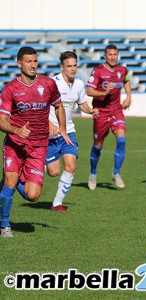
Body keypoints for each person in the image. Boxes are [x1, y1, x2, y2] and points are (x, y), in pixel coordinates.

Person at [0, 46, 71, 237]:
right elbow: (1, 120)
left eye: (35, 61)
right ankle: (4, 225)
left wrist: (62, 128)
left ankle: (9, 183)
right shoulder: (10, 89)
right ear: (19, 64)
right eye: (28, 61)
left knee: (33, 196)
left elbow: (59, 106)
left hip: (39, 146)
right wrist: (16, 130)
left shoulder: (48, 84)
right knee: (10, 180)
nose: (33, 65)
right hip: (15, 144)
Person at [47, 51, 99, 212]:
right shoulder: (52, 83)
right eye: (69, 66)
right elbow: (42, 108)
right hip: (51, 133)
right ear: (62, 67)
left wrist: (90, 111)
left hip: (68, 132)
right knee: (54, 172)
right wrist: (49, 124)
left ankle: (57, 204)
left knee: (71, 165)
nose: (73, 69)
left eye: (75, 65)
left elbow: (82, 103)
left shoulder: (78, 83)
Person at [86, 44, 131, 190]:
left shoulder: (122, 70)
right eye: (110, 55)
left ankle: (116, 173)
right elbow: (89, 91)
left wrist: (129, 96)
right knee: (98, 146)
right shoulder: (98, 71)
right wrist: (104, 93)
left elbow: (126, 80)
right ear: (105, 56)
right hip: (101, 112)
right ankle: (93, 173)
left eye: (115, 54)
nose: (113, 57)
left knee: (122, 140)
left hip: (116, 110)